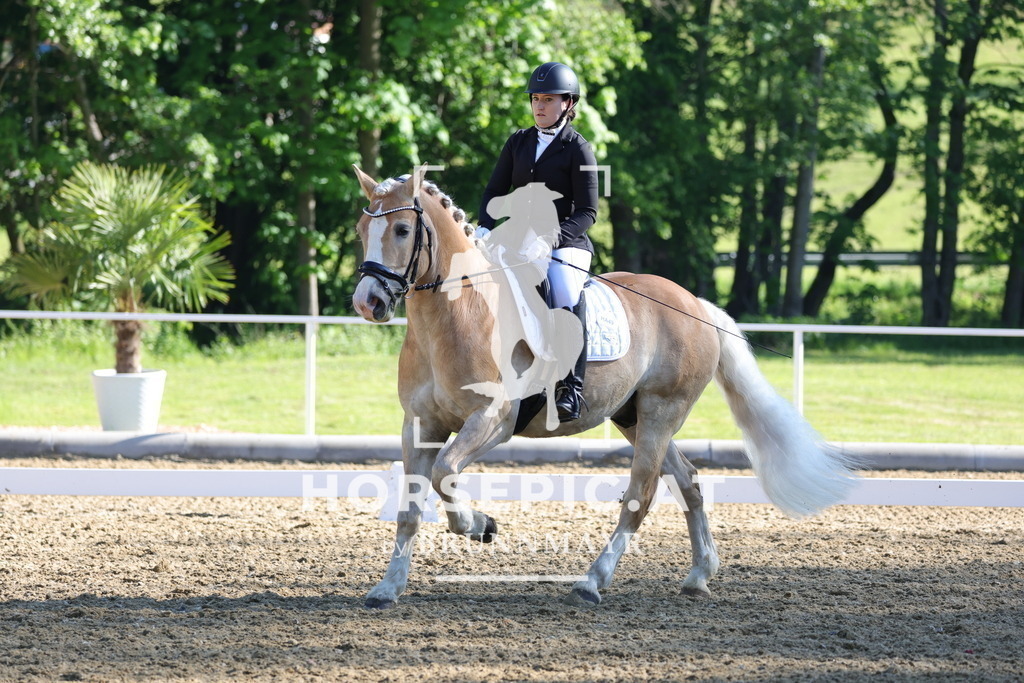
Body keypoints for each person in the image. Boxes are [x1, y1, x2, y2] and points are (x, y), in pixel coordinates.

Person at [478, 61, 599, 423]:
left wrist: (551, 240)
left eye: (548, 99)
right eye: (535, 98)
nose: (539, 106)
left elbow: (588, 212)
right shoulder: (518, 141)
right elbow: (494, 190)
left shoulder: (579, 149)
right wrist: (484, 226)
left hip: (566, 243)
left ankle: (570, 388)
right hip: (515, 239)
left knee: (562, 290)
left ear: (568, 103)